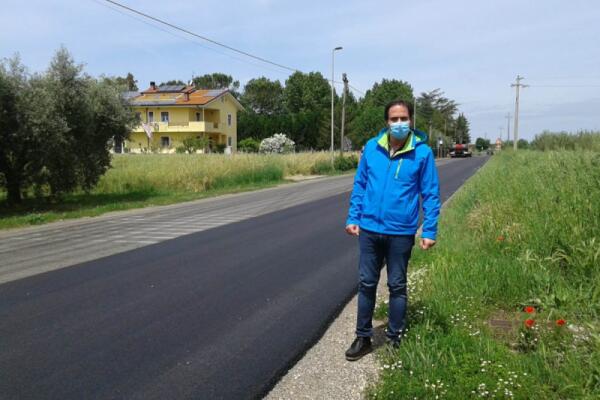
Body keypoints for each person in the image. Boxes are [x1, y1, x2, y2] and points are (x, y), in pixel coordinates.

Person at [344, 99, 441, 361]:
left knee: (397, 285)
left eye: (403, 118)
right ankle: (363, 337)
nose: (399, 123)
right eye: (394, 119)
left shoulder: (422, 153)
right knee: (366, 283)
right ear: (386, 122)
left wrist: (429, 230)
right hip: (369, 229)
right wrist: (353, 216)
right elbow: (360, 185)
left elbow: (430, 194)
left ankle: (394, 338)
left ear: (411, 120)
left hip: (401, 232)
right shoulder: (372, 148)